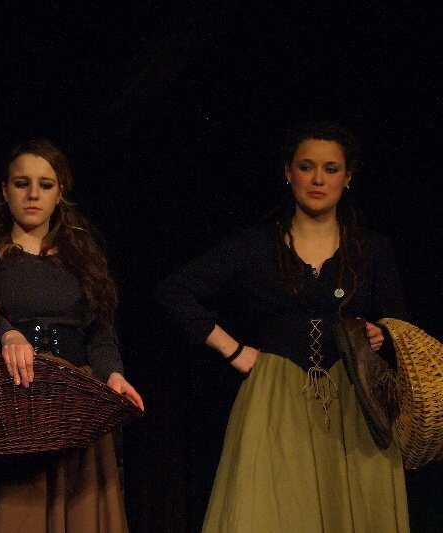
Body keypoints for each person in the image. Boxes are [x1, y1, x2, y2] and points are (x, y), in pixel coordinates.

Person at [157, 121, 410, 532]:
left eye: (331, 169)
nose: (318, 179)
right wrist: (233, 350)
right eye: (306, 166)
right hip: (274, 400)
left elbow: (401, 326)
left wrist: (383, 333)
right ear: (288, 172)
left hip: (355, 400)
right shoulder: (254, 245)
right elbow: (175, 291)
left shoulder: (371, 248)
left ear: (347, 177)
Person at [0, 139, 144, 533]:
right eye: (22, 183)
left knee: (78, 512)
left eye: (46, 184)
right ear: (6, 191)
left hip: (73, 399)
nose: (33, 194)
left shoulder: (85, 259)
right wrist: (8, 336)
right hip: (11, 394)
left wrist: (113, 374)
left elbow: (101, 334)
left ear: (60, 193)